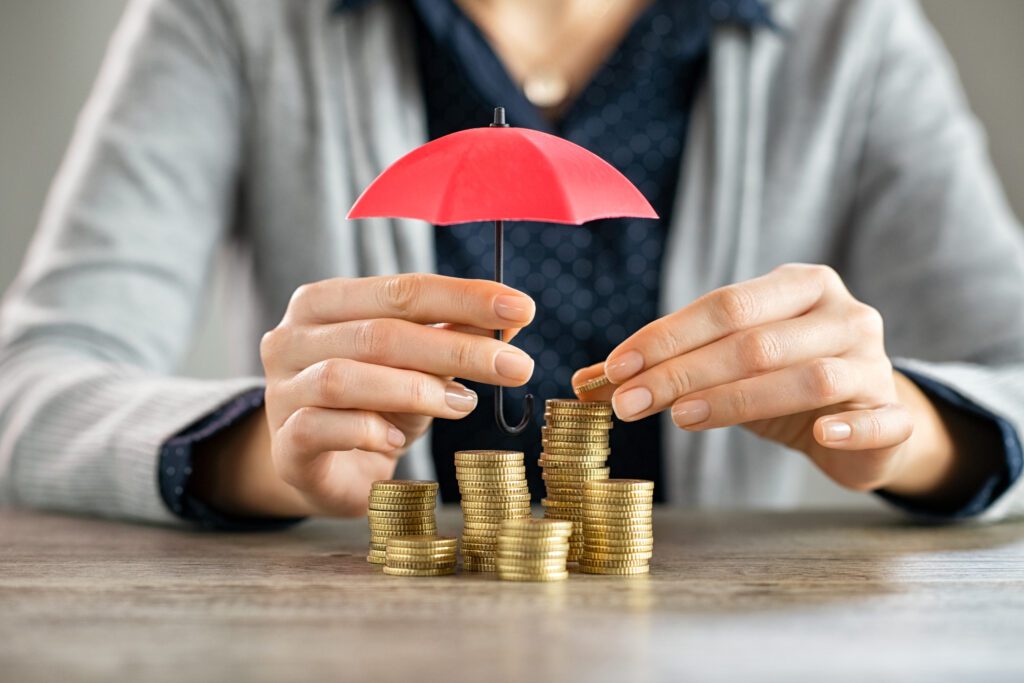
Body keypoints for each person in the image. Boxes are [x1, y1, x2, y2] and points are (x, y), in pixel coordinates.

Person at [1, 0, 1022, 528]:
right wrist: (253, 454)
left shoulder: (849, 28)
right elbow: (34, 384)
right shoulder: (232, 16)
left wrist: (903, 431)